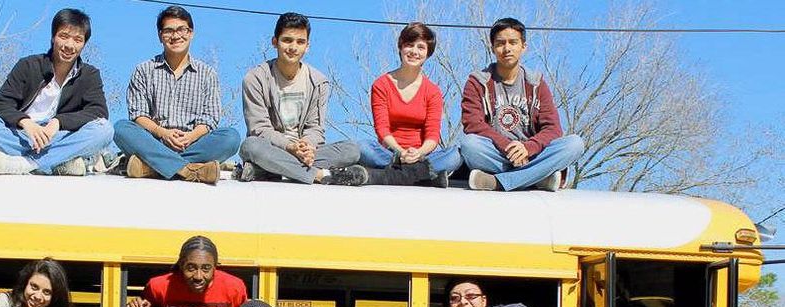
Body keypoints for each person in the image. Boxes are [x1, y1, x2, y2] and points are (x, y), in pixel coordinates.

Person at [0, 8, 113, 176]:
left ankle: (26, 163)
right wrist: (25, 122)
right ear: (53, 37)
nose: (69, 45)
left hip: (60, 137)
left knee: (105, 130)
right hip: (22, 137)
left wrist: (58, 122)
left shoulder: (89, 75)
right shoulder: (28, 65)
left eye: (78, 40)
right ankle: (59, 162)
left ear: (84, 44)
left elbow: (98, 111)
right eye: (64, 36)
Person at [114, 5, 241, 185]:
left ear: (191, 33)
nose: (175, 36)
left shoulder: (207, 73)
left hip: (193, 144)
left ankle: (152, 168)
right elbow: (138, 115)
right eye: (169, 31)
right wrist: (163, 133)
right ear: (160, 35)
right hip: (154, 142)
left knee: (231, 138)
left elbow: (210, 118)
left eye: (182, 29)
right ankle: (189, 170)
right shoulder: (143, 70)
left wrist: (191, 136)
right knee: (121, 129)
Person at [238, 13, 363, 186]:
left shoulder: (318, 82)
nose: (293, 47)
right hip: (273, 147)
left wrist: (306, 146)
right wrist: (290, 147)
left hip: (305, 152)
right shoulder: (255, 79)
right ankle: (320, 175)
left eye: (300, 42)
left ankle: (268, 169)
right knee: (251, 146)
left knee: (352, 150)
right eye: (287, 40)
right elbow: (259, 129)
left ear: (307, 46)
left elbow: (315, 128)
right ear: (274, 42)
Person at [461, 17, 584, 192]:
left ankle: (499, 182)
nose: (507, 48)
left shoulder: (536, 83)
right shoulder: (477, 82)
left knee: (575, 144)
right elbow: (473, 124)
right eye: (500, 43)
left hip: (532, 154)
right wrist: (507, 147)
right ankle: (538, 177)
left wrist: (528, 148)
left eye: (513, 42)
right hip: (498, 154)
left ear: (523, 46)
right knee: (470, 145)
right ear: (492, 48)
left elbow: (553, 129)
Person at [356, 22, 460, 188]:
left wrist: (418, 153)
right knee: (362, 147)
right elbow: (382, 129)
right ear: (401, 47)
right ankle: (423, 177)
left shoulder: (433, 91)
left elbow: (432, 135)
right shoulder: (381, 85)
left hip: (421, 156)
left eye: (421, 47)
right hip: (390, 155)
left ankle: (391, 176)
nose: (414, 52)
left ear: (428, 53)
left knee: (455, 155)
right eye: (409, 45)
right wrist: (400, 152)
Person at [126, 236, 248, 307]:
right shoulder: (158, 287)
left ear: (215, 267)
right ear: (181, 265)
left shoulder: (234, 288)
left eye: (206, 268)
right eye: (191, 268)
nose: (198, 276)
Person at [0, 258, 73, 307]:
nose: (38, 296)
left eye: (47, 292)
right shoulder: (3, 303)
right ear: (25, 284)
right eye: (34, 287)